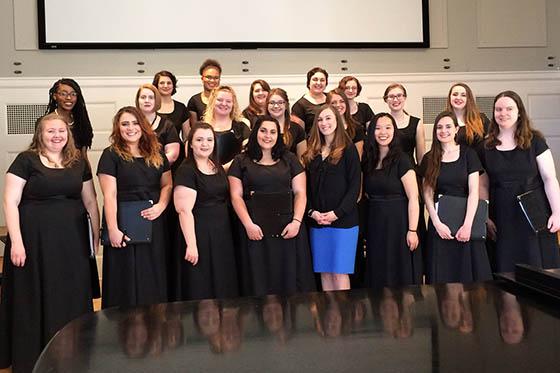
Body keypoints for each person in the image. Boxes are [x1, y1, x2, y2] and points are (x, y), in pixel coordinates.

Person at [0, 113, 98, 373]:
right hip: (34, 240)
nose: (57, 136)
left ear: (68, 134)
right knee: (33, 293)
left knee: (70, 292)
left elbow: (90, 200)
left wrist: (95, 235)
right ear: (39, 134)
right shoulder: (26, 160)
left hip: (72, 240)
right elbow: (10, 201)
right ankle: (33, 355)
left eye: (61, 131)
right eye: (50, 131)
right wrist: (17, 243)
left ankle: (72, 352)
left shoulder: (78, 162)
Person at [229, 116, 315, 296]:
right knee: (258, 280)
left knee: (289, 281)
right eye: (263, 131)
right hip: (255, 231)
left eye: (273, 132)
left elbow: (300, 193)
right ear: (255, 133)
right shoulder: (240, 161)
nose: (268, 136)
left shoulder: (290, 159)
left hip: (288, 229)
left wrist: (297, 222)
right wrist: (248, 225)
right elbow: (236, 196)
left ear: (279, 135)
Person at [97, 106, 172, 308]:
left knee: (152, 272)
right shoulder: (110, 155)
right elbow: (109, 194)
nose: (130, 128)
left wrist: (161, 206)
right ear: (117, 128)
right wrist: (112, 228)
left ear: (143, 125)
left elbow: (167, 185)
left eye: (135, 122)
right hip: (123, 222)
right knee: (125, 275)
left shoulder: (157, 153)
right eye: (124, 124)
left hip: (153, 220)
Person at [480, 91, 560, 272]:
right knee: (506, 266)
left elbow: (549, 178)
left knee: (538, 264)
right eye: (498, 109)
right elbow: (483, 185)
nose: (503, 113)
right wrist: (485, 216)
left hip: (534, 209)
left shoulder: (536, 141)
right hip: (501, 211)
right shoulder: (486, 146)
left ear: (519, 112)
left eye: (509, 108)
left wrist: (557, 212)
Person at [420, 111, 492, 283]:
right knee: (442, 276)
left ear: (456, 129)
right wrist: (437, 224)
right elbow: (427, 193)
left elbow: (474, 191)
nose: (443, 131)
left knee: (470, 279)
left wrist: (467, 225)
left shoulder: (468, 154)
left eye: (448, 126)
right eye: (439, 127)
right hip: (440, 222)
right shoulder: (429, 158)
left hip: (465, 221)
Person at [174, 122, 239, 300]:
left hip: (221, 233)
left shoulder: (215, 165)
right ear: (191, 144)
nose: (205, 144)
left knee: (221, 281)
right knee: (201, 283)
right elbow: (184, 211)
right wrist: (192, 245)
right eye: (199, 139)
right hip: (199, 233)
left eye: (209, 139)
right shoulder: (186, 171)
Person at [303, 104, 361, 291]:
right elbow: (307, 189)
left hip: (343, 222)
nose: (324, 123)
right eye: (320, 119)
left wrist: (337, 213)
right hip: (318, 222)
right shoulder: (312, 152)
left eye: (328, 118)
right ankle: (328, 316)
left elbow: (354, 188)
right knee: (324, 271)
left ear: (337, 120)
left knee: (339, 271)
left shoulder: (349, 149)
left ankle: (345, 318)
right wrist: (312, 213)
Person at [363, 113, 422, 288]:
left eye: (388, 128)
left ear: (394, 131)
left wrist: (412, 230)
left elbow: (413, 197)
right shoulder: (368, 160)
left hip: (399, 223)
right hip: (375, 223)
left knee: (399, 270)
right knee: (378, 269)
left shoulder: (402, 159)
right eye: (378, 128)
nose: (383, 132)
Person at [202, 85, 250, 168]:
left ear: (233, 104)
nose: (224, 104)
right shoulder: (201, 127)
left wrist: (226, 168)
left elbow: (248, 151)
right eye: (220, 100)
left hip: (234, 173)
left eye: (228, 101)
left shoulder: (242, 127)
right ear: (212, 102)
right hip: (206, 175)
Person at [45, 78, 94, 158]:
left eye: (73, 94)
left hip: (78, 168)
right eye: (63, 94)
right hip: (55, 168)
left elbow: (84, 155)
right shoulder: (46, 122)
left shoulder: (81, 121)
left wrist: (87, 170)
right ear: (55, 96)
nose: (68, 98)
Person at [135, 84, 181, 166]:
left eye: (151, 97)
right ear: (138, 100)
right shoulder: (131, 122)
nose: (147, 100)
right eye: (143, 97)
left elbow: (172, 155)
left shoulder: (167, 125)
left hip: (159, 170)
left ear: (156, 100)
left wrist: (152, 166)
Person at [383, 83, 426, 165]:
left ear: (405, 97)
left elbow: (421, 158)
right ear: (386, 100)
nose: (395, 100)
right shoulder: (381, 123)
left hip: (410, 172)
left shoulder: (417, 123)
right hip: (386, 172)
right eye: (391, 96)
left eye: (399, 95)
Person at [445, 82, 490, 150]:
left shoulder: (481, 119)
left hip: (479, 160)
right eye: (455, 94)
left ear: (468, 99)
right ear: (450, 97)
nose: (458, 98)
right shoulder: (444, 120)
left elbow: (491, 142)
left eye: (463, 95)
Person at [266, 88, 307, 160]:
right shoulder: (260, 128)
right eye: (272, 103)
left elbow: (302, 161)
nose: (276, 106)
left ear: (286, 105)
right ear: (267, 105)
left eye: (280, 102)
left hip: (292, 170)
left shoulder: (297, 129)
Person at [327, 88, 365, 159]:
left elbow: (358, 158)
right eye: (333, 102)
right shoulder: (324, 127)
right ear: (327, 105)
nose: (338, 105)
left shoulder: (356, 127)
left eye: (342, 101)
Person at [152, 70, 190, 141]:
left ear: (173, 86)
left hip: (177, 150)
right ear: (156, 86)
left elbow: (186, 137)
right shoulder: (150, 107)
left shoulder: (181, 108)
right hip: (153, 150)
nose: (165, 86)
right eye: (162, 83)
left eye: (169, 83)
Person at [291, 67, 328, 134]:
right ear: (308, 83)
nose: (319, 83)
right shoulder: (299, 106)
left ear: (326, 83)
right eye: (315, 79)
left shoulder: (331, 98)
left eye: (322, 80)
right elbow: (299, 134)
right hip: (312, 143)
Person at [186, 59, 222, 124]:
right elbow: (194, 128)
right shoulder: (194, 101)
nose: (212, 81)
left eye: (216, 78)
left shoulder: (226, 99)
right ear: (202, 79)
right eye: (208, 77)